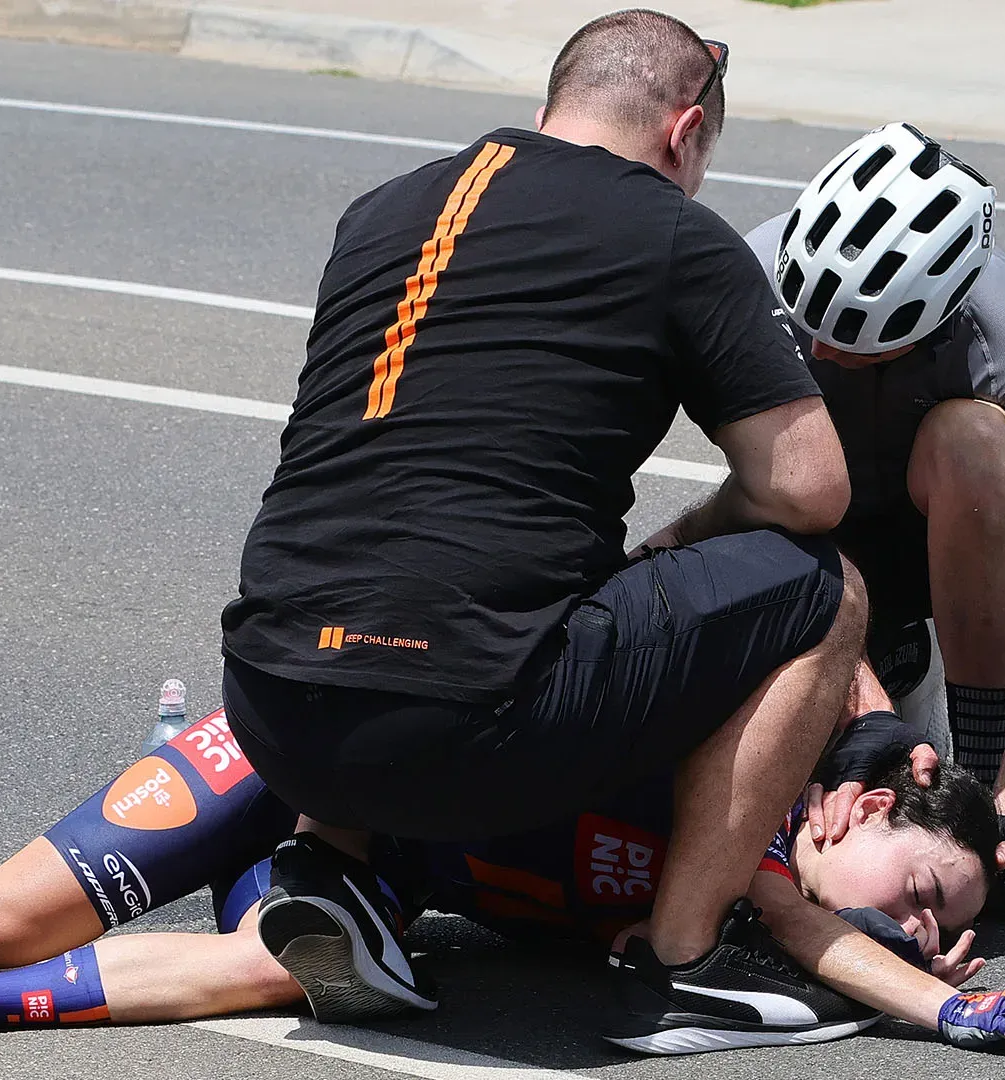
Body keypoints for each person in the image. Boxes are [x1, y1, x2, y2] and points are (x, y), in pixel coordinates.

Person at [217, 9, 904, 1046]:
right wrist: (690, 535)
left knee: (386, 521)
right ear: (684, 134)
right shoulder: (674, 231)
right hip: (470, 726)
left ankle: (334, 867)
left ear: (551, 104)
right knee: (827, 589)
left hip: (273, 710)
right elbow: (809, 490)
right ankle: (680, 966)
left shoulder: (379, 211)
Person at [0, 705, 1005, 1057]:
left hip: (357, 876)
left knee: (298, 962)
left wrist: (938, 980)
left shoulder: (745, 896)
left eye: (937, 922)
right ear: (862, 802)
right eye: (924, 887)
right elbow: (833, 936)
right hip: (287, 753)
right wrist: (962, 1007)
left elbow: (816, 944)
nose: (917, 924)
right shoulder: (736, 783)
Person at [743, 122, 1005, 909]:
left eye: (857, 346)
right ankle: (886, 668)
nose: (824, 355)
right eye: (812, 329)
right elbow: (743, 495)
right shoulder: (746, 276)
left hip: (946, 548)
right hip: (802, 545)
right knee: (779, 451)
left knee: (976, 440)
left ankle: (969, 775)